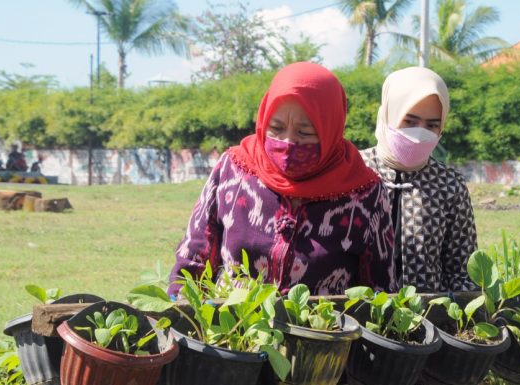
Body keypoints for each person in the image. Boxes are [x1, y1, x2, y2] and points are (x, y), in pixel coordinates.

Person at [168, 62, 397, 297]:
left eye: (305, 132)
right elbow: (194, 256)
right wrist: (180, 312)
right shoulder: (232, 170)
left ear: (331, 129)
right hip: (231, 329)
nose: (288, 143)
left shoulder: (365, 192)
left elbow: (380, 289)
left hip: (322, 331)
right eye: (276, 128)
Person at [360, 67, 477, 292]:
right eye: (410, 121)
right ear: (388, 115)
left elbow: (461, 270)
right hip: (356, 316)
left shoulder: (449, 184)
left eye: (432, 125)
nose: (419, 133)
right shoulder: (354, 170)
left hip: (428, 318)